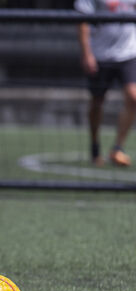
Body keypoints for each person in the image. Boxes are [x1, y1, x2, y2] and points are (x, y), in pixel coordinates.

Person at [76, 0, 136, 166]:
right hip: (100, 54)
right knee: (97, 101)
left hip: (129, 53)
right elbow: (83, 20)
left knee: (133, 97)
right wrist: (86, 53)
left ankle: (118, 148)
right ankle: (95, 146)